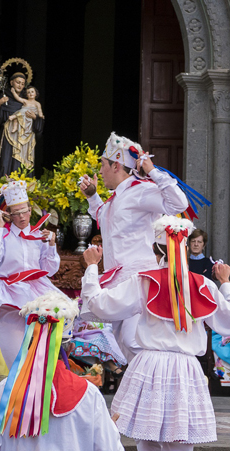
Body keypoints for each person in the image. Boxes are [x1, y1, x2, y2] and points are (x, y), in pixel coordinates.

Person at [81, 215, 230, 451]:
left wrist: (92, 268)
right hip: (185, 368)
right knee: (179, 443)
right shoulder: (204, 285)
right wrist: (226, 282)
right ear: (185, 249)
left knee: (146, 442)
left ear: (156, 251)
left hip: (150, 365)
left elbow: (99, 304)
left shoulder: (144, 281)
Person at [0, 291, 125, 451]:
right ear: (70, 349)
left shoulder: (5, 390)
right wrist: (110, 431)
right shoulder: (90, 395)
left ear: (29, 345)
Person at [79, 132, 189, 362]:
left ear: (116, 165)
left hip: (140, 279)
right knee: (124, 344)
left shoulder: (140, 190)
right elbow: (106, 219)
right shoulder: (117, 197)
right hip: (119, 279)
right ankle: (149, 393)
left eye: (102, 165)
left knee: (134, 341)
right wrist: (92, 197)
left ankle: (168, 381)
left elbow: (178, 203)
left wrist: (153, 171)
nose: (100, 171)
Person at [0, 180, 63, 364]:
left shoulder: (38, 235)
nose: (22, 217)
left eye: (25, 211)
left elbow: (50, 270)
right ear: (9, 214)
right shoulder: (2, 234)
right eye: (16, 213)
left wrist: (51, 245)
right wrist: (0, 226)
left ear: (30, 210)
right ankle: (17, 383)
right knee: (15, 354)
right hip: (9, 291)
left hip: (36, 290)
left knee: (41, 351)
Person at [0, 73, 44, 176]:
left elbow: (40, 121)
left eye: (23, 84)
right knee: (6, 160)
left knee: (22, 163)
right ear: (11, 83)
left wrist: (35, 117)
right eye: (17, 82)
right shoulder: (4, 97)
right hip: (8, 134)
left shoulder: (27, 98)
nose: (20, 85)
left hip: (25, 137)